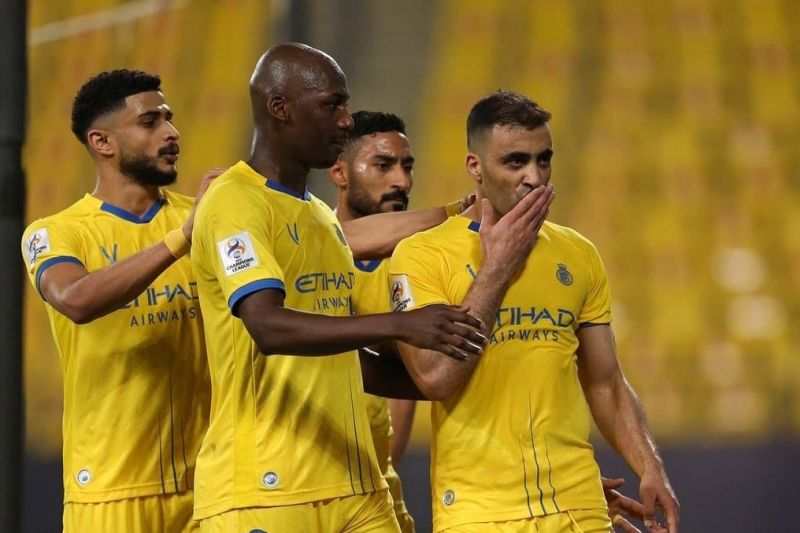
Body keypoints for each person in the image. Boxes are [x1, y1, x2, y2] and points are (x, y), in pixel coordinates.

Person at [189, 43, 547, 532]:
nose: (344, 121)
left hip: (356, 485)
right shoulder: (234, 201)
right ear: (280, 108)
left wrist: (478, 386)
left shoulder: (319, 217)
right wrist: (401, 324)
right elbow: (267, 326)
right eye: (332, 105)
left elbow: (351, 363)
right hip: (266, 489)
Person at [390, 91, 680, 533]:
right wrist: (497, 269)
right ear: (475, 167)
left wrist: (650, 466)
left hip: (579, 506)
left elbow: (605, 382)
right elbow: (435, 377)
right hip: (480, 512)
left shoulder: (578, 254)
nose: (534, 177)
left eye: (544, 160)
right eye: (515, 162)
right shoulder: (421, 256)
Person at [21, 69, 217, 532]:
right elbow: (76, 299)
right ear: (102, 142)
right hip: (110, 494)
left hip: (211, 489)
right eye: (150, 122)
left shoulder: (204, 218)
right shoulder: (57, 233)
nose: (172, 132)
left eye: (169, 118)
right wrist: (181, 240)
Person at [329, 110, 421, 533]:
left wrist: (382, 471)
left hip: (376, 484)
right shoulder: (305, 249)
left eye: (406, 166)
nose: (401, 181)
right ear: (340, 173)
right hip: (298, 477)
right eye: (383, 165)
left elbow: (410, 378)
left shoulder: (420, 262)